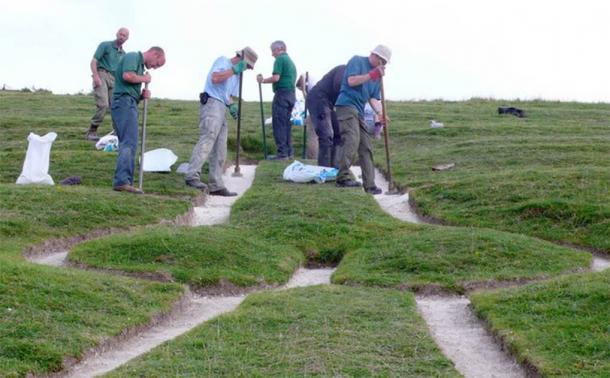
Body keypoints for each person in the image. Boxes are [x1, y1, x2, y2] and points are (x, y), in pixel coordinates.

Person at [184, 47, 258, 196]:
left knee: (220, 147)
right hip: (211, 103)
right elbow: (215, 78)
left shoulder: (237, 76)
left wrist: (232, 105)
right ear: (241, 59)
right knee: (208, 139)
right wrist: (234, 70)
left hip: (222, 107)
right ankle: (192, 176)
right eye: (248, 66)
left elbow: (228, 95)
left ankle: (216, 184)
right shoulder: (223, 61)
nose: (248, 70)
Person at [335, 45, 391, 195]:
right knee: (352, 139)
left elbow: (373, 98)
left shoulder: (377, 77)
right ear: (374, 55)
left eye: (385, 63)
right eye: (381, 61)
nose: (382, 65)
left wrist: (380, 112)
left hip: (359, 111)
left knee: (366, 146)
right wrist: (371, 75)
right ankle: (343, 177)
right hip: (346, 105)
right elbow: (351, 81)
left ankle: (370, 185)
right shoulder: (357, 61)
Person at [111, 46, 166, 194]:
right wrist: (144, 79)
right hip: (124, 103)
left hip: (129, 102)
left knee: (130, 141)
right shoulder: (133, 56)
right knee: (129, 141)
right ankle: (122, 181)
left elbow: (130, 85)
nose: (154, 67)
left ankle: (124, 180)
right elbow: (127, 76)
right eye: (157, 63)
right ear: (154, 54)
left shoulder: (140, 66)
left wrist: (142, 96)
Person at [87, 28, 129, 141]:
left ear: (127, 38)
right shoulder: (105, 45)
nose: (122, 36)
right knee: (103, 104)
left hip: (115, 79)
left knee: (116, 106)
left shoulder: (124, 54)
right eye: (120, 34)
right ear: (116, 34)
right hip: (102, 74)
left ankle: (117, 132)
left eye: (124, 35)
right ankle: (92, 130)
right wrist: (95, 76)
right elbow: (94, 61)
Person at [257, 40, 297, 160]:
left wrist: (262, 80)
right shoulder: (291, 61)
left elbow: (276, 78)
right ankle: (289, 153)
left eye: (273, 51)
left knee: (279, 123)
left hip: (282, 94)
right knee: (286, 124)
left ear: (279, 49)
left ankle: (282, 154)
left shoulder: (280, 59)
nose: (272, 54)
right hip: (291, 95)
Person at [304, 65, 346, 167]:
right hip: (318, 99)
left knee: (338, 134)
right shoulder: (344, 69)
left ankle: (336, 168)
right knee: (326, 135)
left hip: (331, 103)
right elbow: (337, 86)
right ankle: (324, 168)